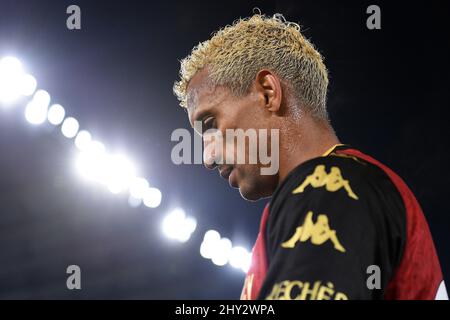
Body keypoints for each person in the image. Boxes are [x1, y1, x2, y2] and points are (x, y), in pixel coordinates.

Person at [172, 13, 447, 300]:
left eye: (211, 125)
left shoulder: (329, 186)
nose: (207, 157)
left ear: (268, 93)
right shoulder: (344, 186)